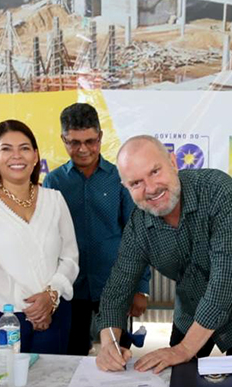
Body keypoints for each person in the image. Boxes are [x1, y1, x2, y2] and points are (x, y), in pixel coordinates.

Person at [95, 135, 232, 373]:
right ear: (126, 187)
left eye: (155, 172)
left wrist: (183, 349)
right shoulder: (138, 229)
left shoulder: (217, 190)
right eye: (136, 183)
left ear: (173, 162)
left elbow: (227, 278)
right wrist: (108, 344)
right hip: (191, 307)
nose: (150, 188)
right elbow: (117, 291)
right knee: (177, 381)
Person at [0, 119, 78, 355]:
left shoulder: (54, 199)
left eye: (24, 148)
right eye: (6, 149)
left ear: (35, 156)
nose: (17, 156)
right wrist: (34, 307)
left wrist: (51, 297)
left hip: (55, 313)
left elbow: (70, 256)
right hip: (1, 316)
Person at [41, 103, 149, 355]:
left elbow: (137, 236)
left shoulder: (119, 179)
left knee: (118, 354)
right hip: (70, 287)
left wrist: (140, 287)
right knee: (71, 354)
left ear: (100, 137)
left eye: (90, 141)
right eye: (74, 142)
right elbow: (46, 238)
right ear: (63, 139)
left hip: (114, 285)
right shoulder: (53, 182)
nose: (83, 150)